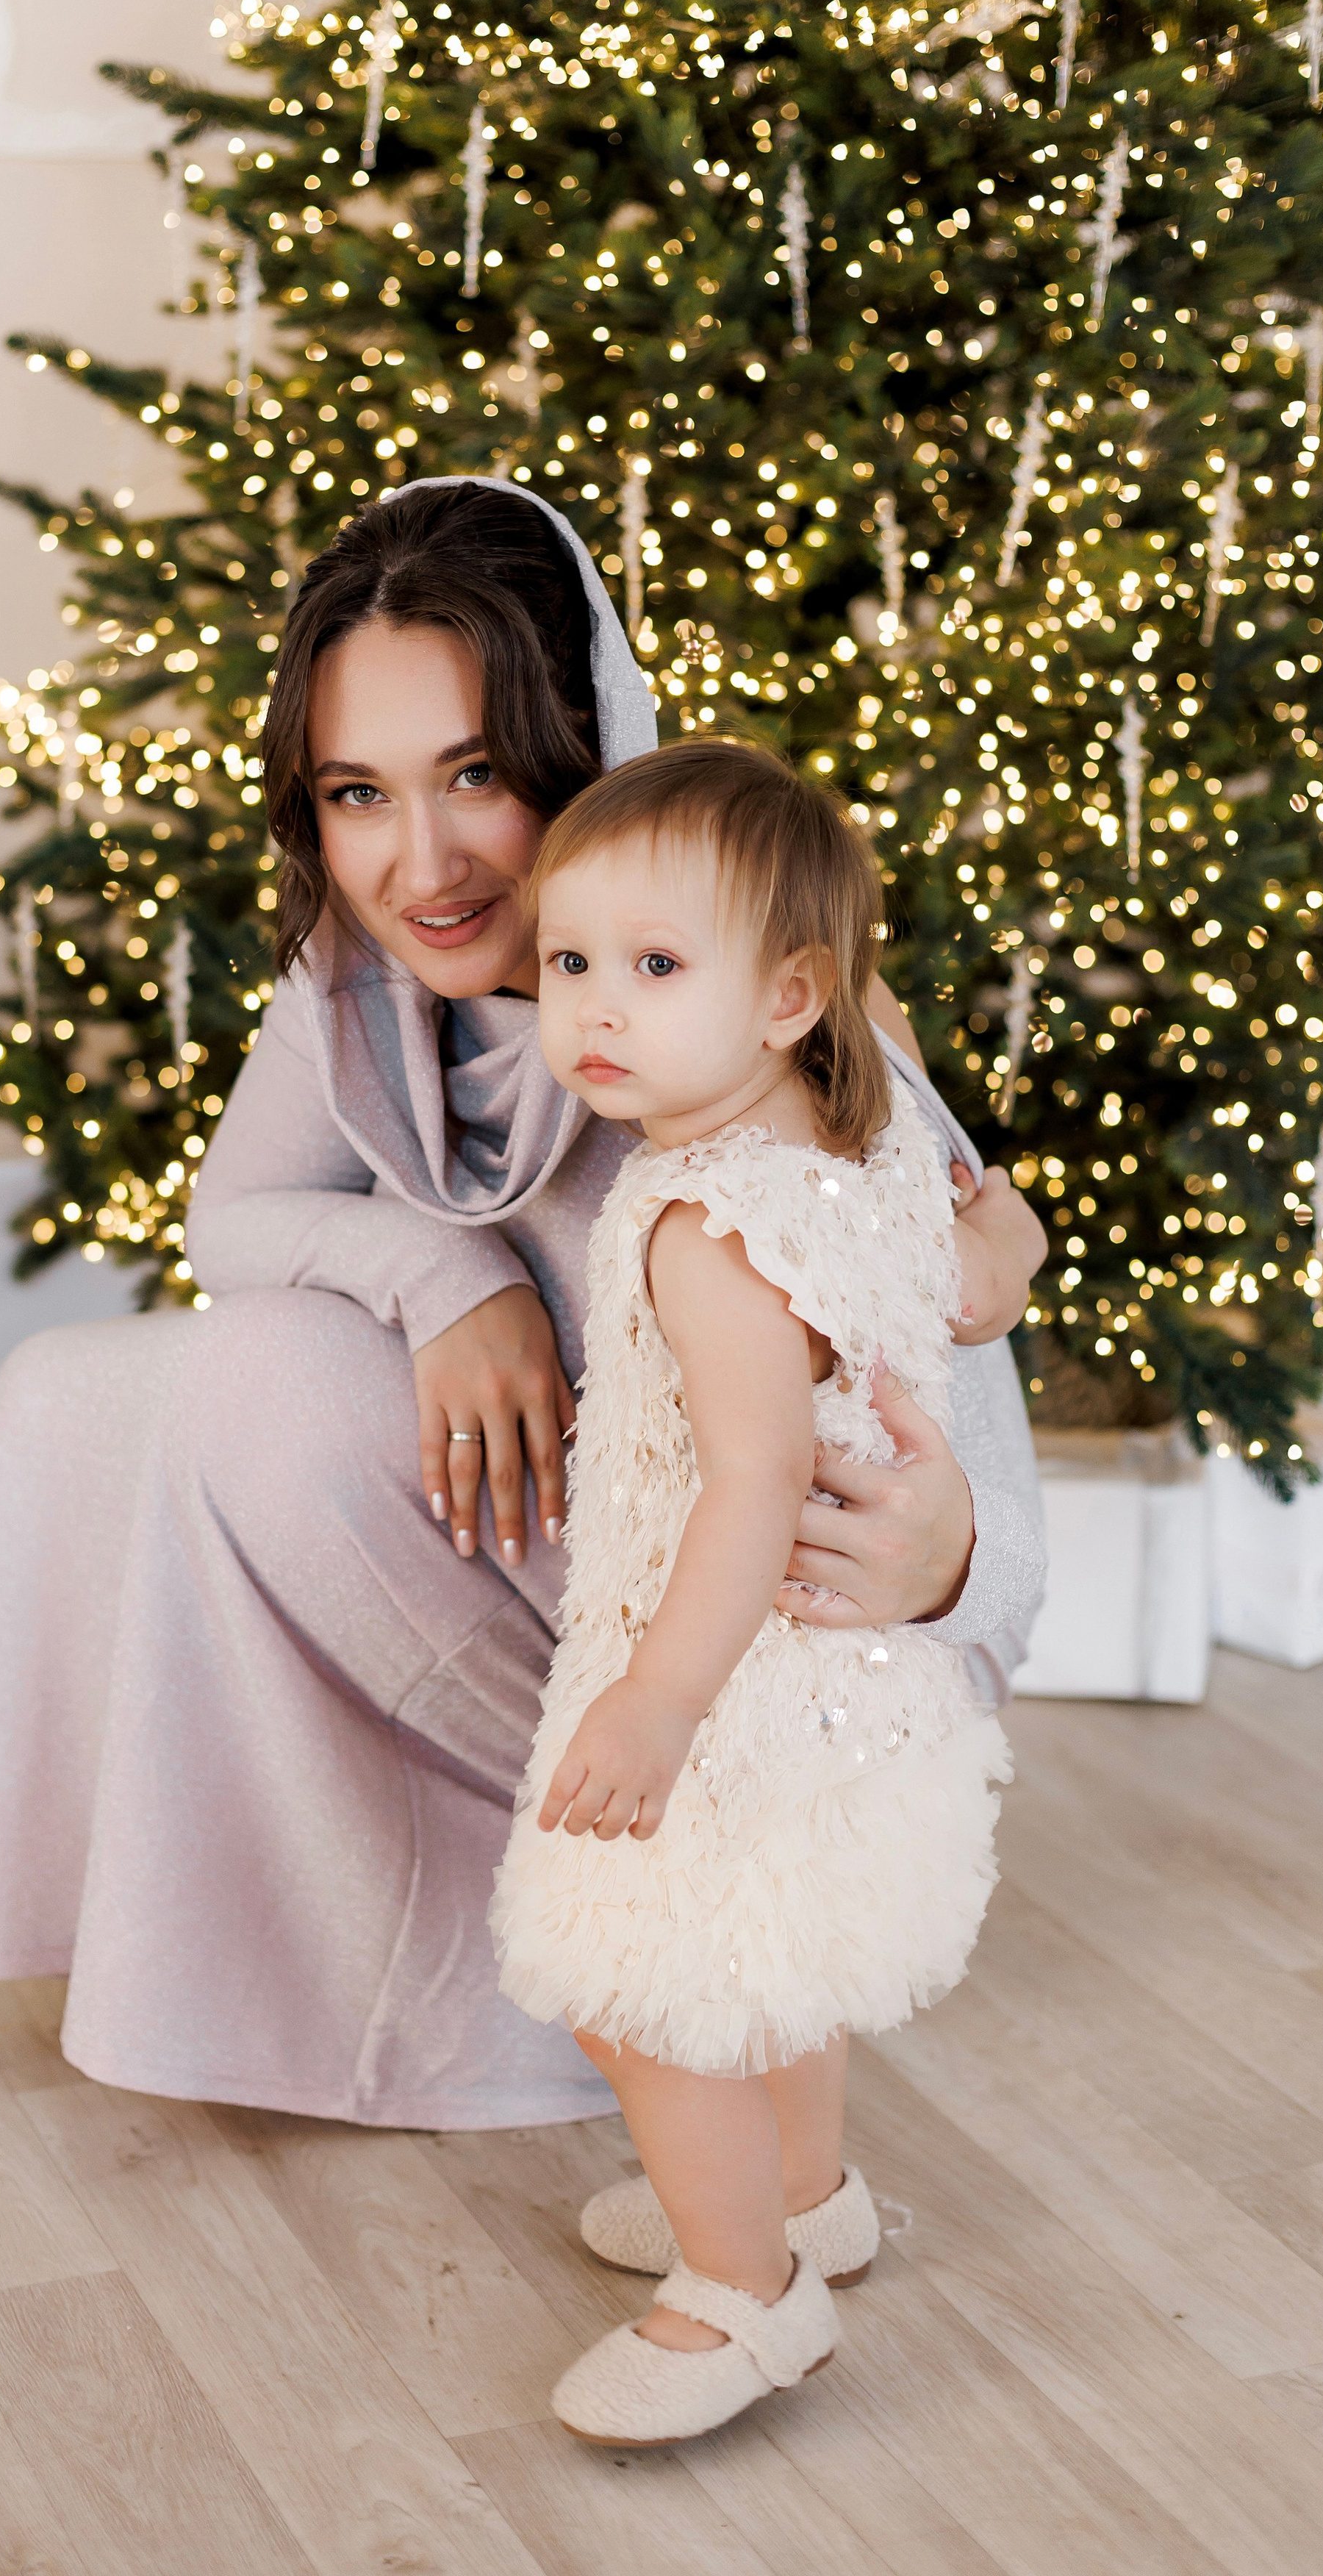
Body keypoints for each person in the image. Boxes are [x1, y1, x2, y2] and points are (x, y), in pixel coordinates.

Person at [0, 477, 1046, 2155]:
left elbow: (981, 1477)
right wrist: (446, 1279)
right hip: (575, 1560)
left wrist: (941, 1552)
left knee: (258, 1382)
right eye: (355, 792)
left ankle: (638, 1957)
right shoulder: (362, 992)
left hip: (742, 1652)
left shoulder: (743, 1014)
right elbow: (236, 1214)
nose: (416, 864)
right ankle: (235, 1943)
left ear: (582, 751)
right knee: (74, 1391)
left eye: (477, 778)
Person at [490, 740, 1014, 2446]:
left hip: (718, 1665)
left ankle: (741, 2294)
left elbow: (753, 1481)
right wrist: (1001, 1249)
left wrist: (651, 1699)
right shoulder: (851, 1163)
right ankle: (806, 2198)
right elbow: (981, 1268)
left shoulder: (701, 1224)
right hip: (835, 1682)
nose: (593, 1011)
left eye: (653, 968)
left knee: (639, 1984)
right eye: (568, 962)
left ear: (787, 995)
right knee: (772, 1953)